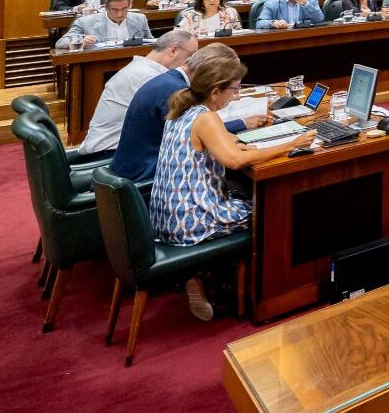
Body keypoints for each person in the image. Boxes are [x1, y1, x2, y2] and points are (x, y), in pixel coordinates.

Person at [150, 50, 314, 318]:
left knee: (246, 195)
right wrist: (291, 145)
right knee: (275, 208)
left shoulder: (182, 107)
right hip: (192, 218)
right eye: (234, 90)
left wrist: (270, 141)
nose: (235, 96)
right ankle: (270, 295)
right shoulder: (205, 117)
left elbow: (232, 143)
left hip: (166, 216)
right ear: (216, 91)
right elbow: (235, 160)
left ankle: (204, 277)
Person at [110, 43, 266, 182]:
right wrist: (241, 129)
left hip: (132, 165)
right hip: (144, 173)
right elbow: (205, 134)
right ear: (212, 71)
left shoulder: (170, 80)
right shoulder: (176, 91)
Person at [78, 30, 199, 153]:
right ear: (173, 50)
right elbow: (183, 122)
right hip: (109, 152)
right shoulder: (150, 77)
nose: (191, 64)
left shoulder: (141, 68)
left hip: (112, 148)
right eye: (191, 56)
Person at [58, 0, 150, 48]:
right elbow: (61, 43)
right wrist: (81, 40)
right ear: (105, 8)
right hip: (100, 66)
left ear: (130, 6)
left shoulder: (140, 19)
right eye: (114, 10)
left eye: (124, 9)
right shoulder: (84, 22)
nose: (120, 14)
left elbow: (150, 42)